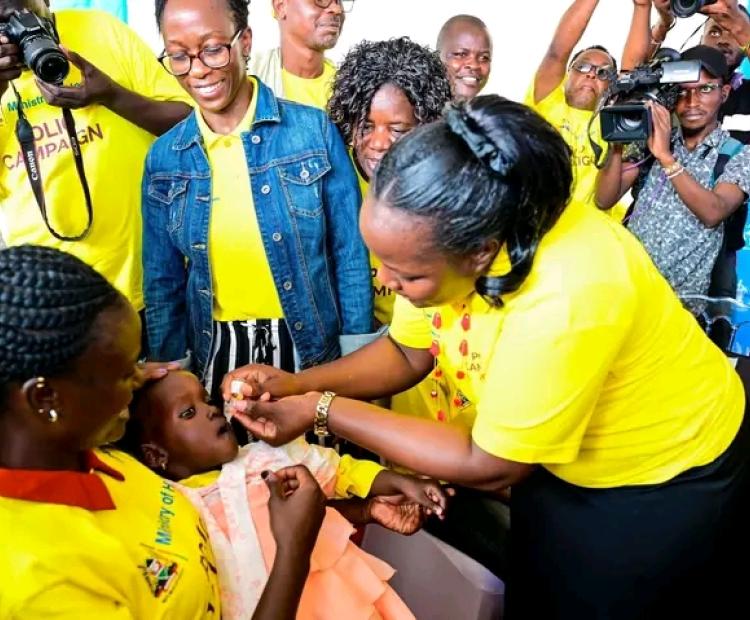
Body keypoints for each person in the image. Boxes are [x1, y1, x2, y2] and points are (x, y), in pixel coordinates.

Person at [222, 96, 750, 618]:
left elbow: (491, 463)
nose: (385, 282)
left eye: (406, 275)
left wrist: (322, 407)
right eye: (382, 263)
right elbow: (408, 353)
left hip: (662, 476)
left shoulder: (572, 289)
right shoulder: (441, 236)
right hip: (561, 459)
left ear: (481, 253)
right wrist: (293, 384)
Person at [0, 244, 334, 620]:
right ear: (46, 399)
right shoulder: (38, 582)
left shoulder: (93, 454)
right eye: (126, 372)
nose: (144, 378)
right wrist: (292, 552)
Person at [327, 36, 508, 579]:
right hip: (392, 373)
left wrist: (316, 401)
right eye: (367, 125)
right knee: (416, 524)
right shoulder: (340, 191)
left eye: (398, 129)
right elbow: (402, 349)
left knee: (484, 528)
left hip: (465, 386)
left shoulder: (451, 198)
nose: (378, 143)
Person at [144, 0, 371, 419]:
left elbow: (350, 254)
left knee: (324, 476)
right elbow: (163, 282)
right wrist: (172, 374)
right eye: (178, 56)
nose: (198, 69)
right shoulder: (164, 158)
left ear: (244, 41)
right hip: (216, 355)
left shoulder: (313, 131)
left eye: (213, 48)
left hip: (312, 347)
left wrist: (357, 356)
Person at [121, 370, 449, 619]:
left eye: (206, 400)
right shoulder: (166, 506)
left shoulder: (263, 460)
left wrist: (401, 483)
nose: (210, 411)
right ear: (154, 455)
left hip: (335, 598)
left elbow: (340, 471)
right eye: (188, 413)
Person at [0, 0, 190, 313]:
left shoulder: (102, 29)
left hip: (156, 284)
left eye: (22, 14)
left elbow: (189, 126)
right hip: (54, 304)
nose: (15, 30)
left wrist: (112, 96)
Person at [596, 46, 750, 312]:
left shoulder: (738, 152)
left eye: (705, 89)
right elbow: (604, 198)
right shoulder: (652, 140)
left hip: (678, 309)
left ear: (724, 93)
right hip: (626, 291)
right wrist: (617, 140)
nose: (692, 102)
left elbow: (714, 212)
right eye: (681, 91)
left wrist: (666, 158)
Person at [525, 0, 624, 219]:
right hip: (534, 221)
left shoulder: (615, 123)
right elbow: (557, 51)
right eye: (583, 66)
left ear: (613, 86)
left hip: (585, 233)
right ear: (568, 73)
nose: (591, 75)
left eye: (603, 73)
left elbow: (635, 65)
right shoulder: (546, 101)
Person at [248, 0, 349, 109]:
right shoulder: (245, 78)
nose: (337, 10)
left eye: (339, 1)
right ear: (280, 6)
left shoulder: (351, 88)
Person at [436, 14, 492, 101]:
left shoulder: (494, 113)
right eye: (461, 54)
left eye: (484, 57)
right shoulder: (412, 111)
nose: (474, 65)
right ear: (437, 57)